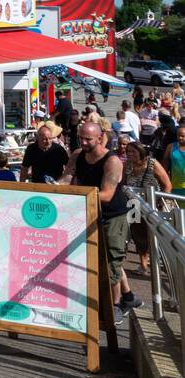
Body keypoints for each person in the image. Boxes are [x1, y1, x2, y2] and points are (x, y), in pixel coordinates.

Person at [61, 121, 139, 322]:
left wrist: (75, 194)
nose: (84, 142)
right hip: (90, 211)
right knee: (103, 258)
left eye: (88, 139)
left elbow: (106, 194)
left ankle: (115, 306)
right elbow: (67, 177)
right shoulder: (78, 155)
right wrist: (52, 188)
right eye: (81, 138)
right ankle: (129, 296)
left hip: (113, 215)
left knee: (111, 260)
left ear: (99, 137)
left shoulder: (112, 161)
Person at [123, 141, 170, 274]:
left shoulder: (152, 163)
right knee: (138, 235)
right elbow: (121, 183)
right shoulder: (127, 165)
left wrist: (162, 200)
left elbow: (167, 184)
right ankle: (143, 264)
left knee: (156, 234)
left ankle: (162, 263)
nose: (130, 154)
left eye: (133, 151)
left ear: (141, 151)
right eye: (128, 152)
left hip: (153, 203)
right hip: (133, 204)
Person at [164, 124, 185, 196]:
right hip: (175, 184)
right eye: (178, 136)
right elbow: (165, 166)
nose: (180, 138)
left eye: (183, 136)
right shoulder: (171, 147)